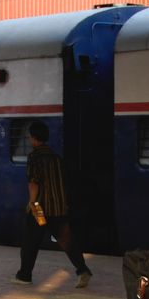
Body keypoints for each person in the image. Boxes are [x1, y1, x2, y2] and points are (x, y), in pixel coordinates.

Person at [12, 120, 92, 288]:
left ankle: (24, 275)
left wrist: (32, 203)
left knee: (30, 242)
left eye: (29, 137)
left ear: (34, 138)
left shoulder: (34, 157)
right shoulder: (56, 158)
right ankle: (82, 270)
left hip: (39, 209)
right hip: (58, 208)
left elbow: (34, 182)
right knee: (66, 239)